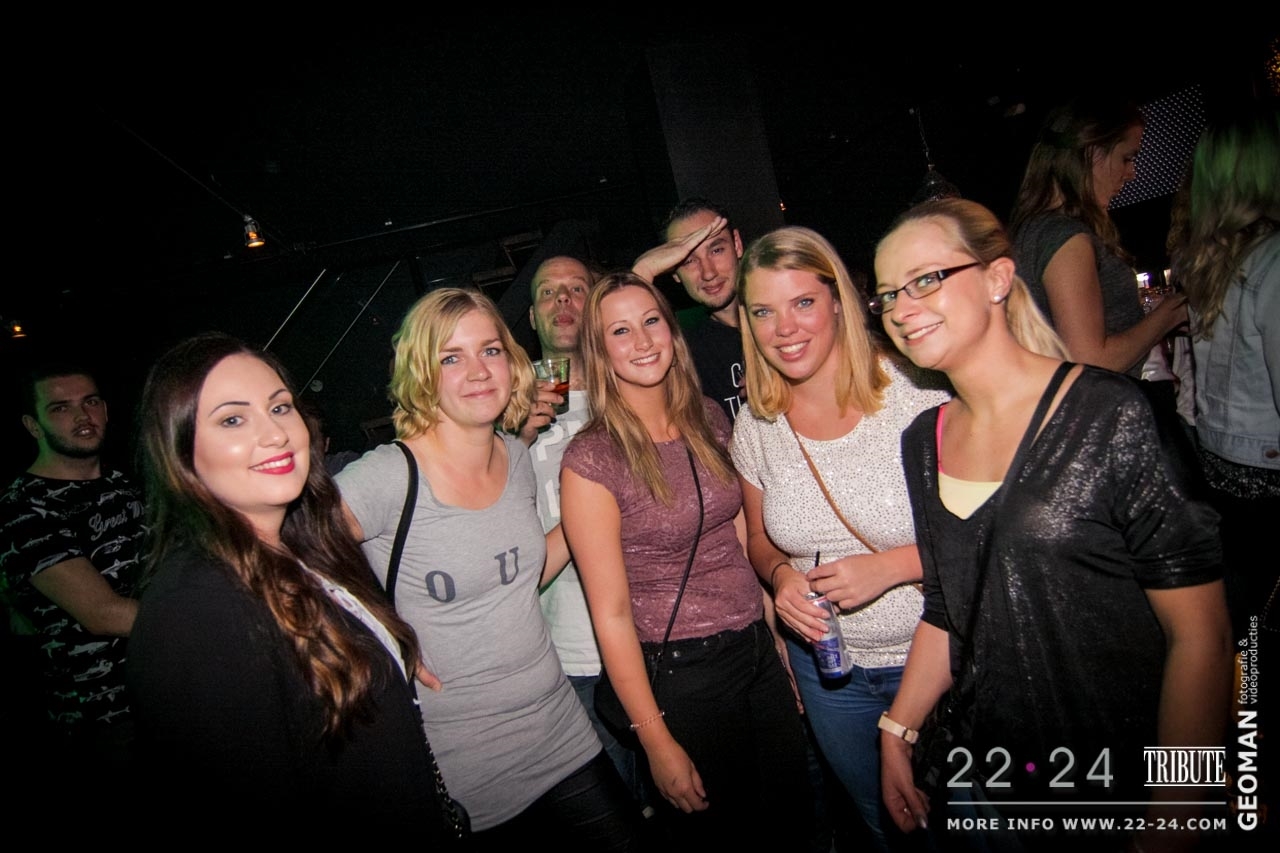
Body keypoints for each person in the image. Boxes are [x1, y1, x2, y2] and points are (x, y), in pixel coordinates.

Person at [874, 199, 1231, 852]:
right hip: (1000, 782)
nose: (901, 307)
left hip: (1124, 786)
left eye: (926, 279)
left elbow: (1202, 636)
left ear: (997, 278)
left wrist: (1177, 818)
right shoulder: (924, 440)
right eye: (889, 293)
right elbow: (950, 609)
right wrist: (897, 729)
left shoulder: (1109, 414)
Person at [335, 287, 642, 850]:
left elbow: (523, 575)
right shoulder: (386, 476)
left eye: (490, 350)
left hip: (560, 728)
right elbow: (283, 560)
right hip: (467, 760)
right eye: (451, 357)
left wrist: (595, 510)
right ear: (422, 372)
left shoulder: (515, 456)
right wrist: (377, 640)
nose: (478, 371)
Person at [126, 333, 458, 836]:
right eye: (233, 420)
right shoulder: (194, 612)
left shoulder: (300, 550)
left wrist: (385, 654)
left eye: (280, 408)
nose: (275, 434)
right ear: (180, 450)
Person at [560, 271, 811, 851]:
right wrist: (655, 740)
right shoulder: (592, 459)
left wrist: (776, 639)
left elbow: (740, 538)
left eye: (652, 321)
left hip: (754, 651)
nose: (642, 341)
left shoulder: (708, 417)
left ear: (672, 332)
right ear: (599, 350)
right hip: (682, 676)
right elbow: (611, 615)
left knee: (794, 823)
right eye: (620, 331)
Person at [731, 226, 950, 852]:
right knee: (884, 828)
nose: (785, 329)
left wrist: (892, 567)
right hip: (831, 674)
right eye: (764, 312)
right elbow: (760, 540)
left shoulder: (917, 394)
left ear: (837, 301)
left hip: (935, 660)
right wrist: (781, 577)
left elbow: (987, 535)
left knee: (965, 828)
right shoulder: (758, 423)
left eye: (802, 302)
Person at [0, 363, 143, 811]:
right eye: (60, 408)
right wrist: (227, 615)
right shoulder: (24, 508)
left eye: (91, 401)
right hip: (104, 718)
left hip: (165, 689)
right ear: (33, 425)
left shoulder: (124, 484)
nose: (83, 416)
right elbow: (103, 614)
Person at [520, 255, 637, 793]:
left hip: (654, 633)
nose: (562, 300)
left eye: (576, 289)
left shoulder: (632, 386)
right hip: (565, 655)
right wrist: (512, 438)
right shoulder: (503, 407)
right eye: (548, 292)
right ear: (532, 316)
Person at [1168, 103, 1279, 642]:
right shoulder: (1271, 259)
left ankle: (1247, 695)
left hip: (1223, 466)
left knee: (1249, 623)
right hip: (1268, 473)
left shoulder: (1210, 260)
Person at [1010, 97, 1188, 377]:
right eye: (1127, 158)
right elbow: (1090, 360)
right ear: (1092, 152)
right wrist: (1169, 314)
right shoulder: (1065, 237)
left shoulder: (1032, 230)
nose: (1131, 173)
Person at [632, 197, 747, 420]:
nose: (708, 273)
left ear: (737, 244)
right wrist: (643, 270)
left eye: (716, 250)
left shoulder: (787, 326)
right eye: (688, 261)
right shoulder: (683, 353)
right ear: (673, 271)